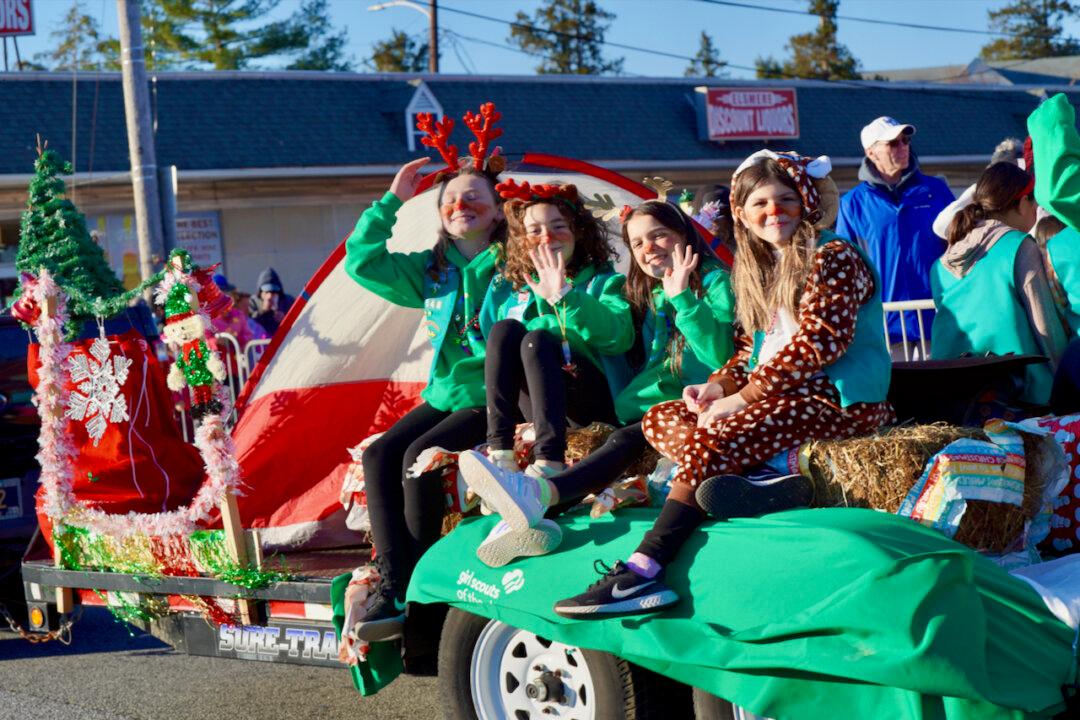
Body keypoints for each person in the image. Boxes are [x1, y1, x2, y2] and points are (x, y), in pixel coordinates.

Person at [549, 151, 894, 617]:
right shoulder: (763, 267)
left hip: (835, 398)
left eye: (786, 199)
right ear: (742, 214)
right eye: (760, 204)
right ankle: (765, 477)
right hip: (780, 397)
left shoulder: (832, 255)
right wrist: (717, 384)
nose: (774, 212)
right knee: (661, 416)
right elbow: (748, 349)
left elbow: (819, 345)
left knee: (714, 432)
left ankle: (644, 569)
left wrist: (741, 399)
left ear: (807, 201)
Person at [458, 200, 735, 567]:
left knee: (620, 441)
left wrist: (682, 297)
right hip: (622, 405)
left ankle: (541, 488)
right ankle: (508, 471)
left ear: (685, 235)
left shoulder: (700, 283)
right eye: (637, 243)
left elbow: (718, 355)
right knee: (512, 332)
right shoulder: (649, 292)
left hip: (678, 404)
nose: (648, 248)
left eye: (659, 236)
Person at [345, 104, 508, 641]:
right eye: (451, 201)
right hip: (447, 393)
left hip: (497, 395)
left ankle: (418, 586)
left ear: (498, 211)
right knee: (378, 453)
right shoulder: (432, 269)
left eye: (474, 198)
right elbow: (361, 262)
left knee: (420, 458)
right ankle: (394, 580)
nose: (462, 205)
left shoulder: (516, 261)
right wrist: (393, 198)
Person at [464, 181, 632, 489]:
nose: (547, 238)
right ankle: (500, 454)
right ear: (520, 240)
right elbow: (493, 348)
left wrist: (564, 295)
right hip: (535, 407)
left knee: (538, 337)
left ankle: (550, 461)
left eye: (558, 226)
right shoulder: (510, 291)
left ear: (578, 231)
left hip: (590, 404)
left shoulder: (606, 283)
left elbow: (618, 337)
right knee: (505, 331)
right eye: (535, 230)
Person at [930, 162, 1066, 406]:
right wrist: (1067, 377)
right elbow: (1045, 326)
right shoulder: (1020, 246)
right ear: (1020, 202)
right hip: (1019, 393)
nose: (1036, 207)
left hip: (951, 394)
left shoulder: (940, 264)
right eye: (1032, 199)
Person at [836, 117, 955, 351]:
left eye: (905, 140)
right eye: (893, 143)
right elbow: (845, 268)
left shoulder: (936, 191)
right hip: (885, 328)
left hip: (939, 318)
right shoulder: (852, 204)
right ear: (871, 153)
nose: (903, 147)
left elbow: (961, 244)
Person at [247, 267, 295, 336]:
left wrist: (285, 319)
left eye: (274, 292)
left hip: (285, 340)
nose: (270, 296)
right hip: (262, 343)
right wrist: (263, 311)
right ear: (260, 292)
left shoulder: (288, 301)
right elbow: (250, 323)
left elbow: (298, 321)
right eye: (267, 292)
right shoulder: (252, 302)